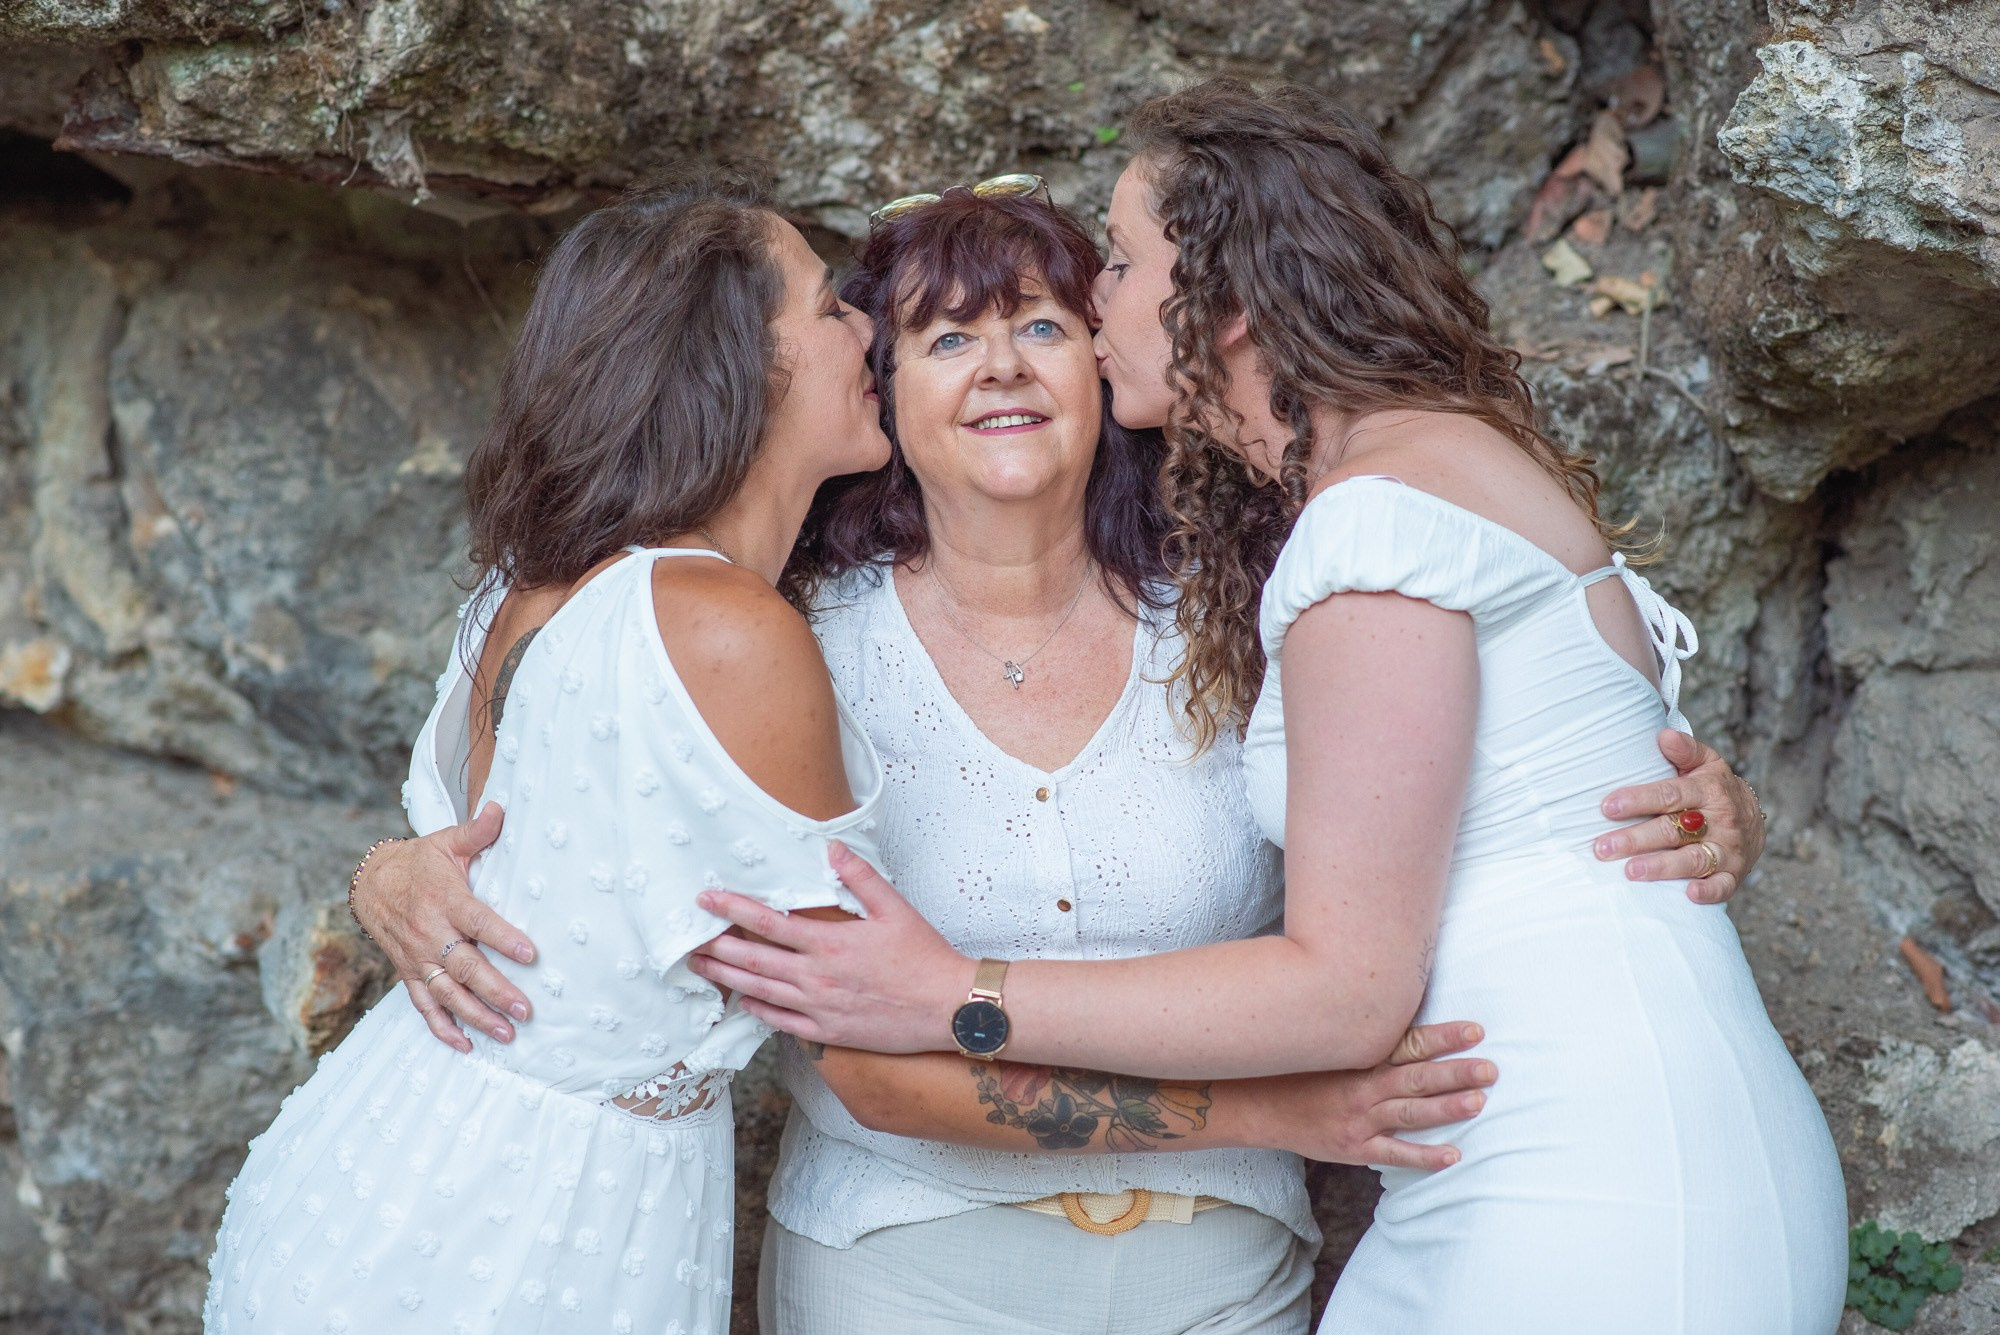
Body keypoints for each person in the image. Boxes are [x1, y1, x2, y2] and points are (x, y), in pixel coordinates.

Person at [353, 182, 1768, 1331]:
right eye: (944, 339)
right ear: (878, 392)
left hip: (1230, 1275)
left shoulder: (1255, 610)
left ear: (1106, 366)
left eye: (1040, 323)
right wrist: (395, 868)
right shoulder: (787, 634)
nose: (1002, 367)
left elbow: (1480, 750)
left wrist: (1672, 791)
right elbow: (553, 753)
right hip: (899, 1266)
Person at [688, 81, 1845, 1334]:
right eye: (949, 339)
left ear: (1222, 302)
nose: (1085, 311)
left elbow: (1349, 986)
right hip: (1541, 1147)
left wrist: (955, 993)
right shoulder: (1404, 489)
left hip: (1564, 1169)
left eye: (1108, 271)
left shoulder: (1353, 531)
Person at [203, 172, 896, 1333]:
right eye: (829, 307)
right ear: (734, 364)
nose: (869, 329)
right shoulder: (727, 631)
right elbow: (861, 1018)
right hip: (521, 1223)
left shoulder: (527, 588)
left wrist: (384, 869)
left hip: (383, 1155)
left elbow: (484, 855)